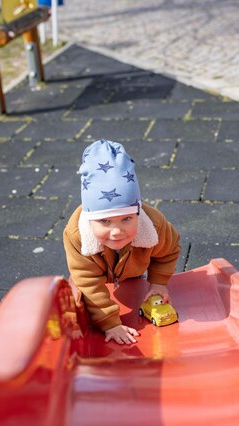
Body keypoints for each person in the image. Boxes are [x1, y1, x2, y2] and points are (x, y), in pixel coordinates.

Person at [63, 140, 181, 345]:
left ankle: (128, 274)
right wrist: (110, 323)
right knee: (78, 291)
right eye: (105, 221)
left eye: (126, 219)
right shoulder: (77, 235)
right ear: (91, 218)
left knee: (133, 282)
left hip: (131, 269)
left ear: (137, 212)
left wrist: (159, 283)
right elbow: (88, 282)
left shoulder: (154, 225)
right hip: (93, 272)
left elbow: (168, 252)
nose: (117, 231)